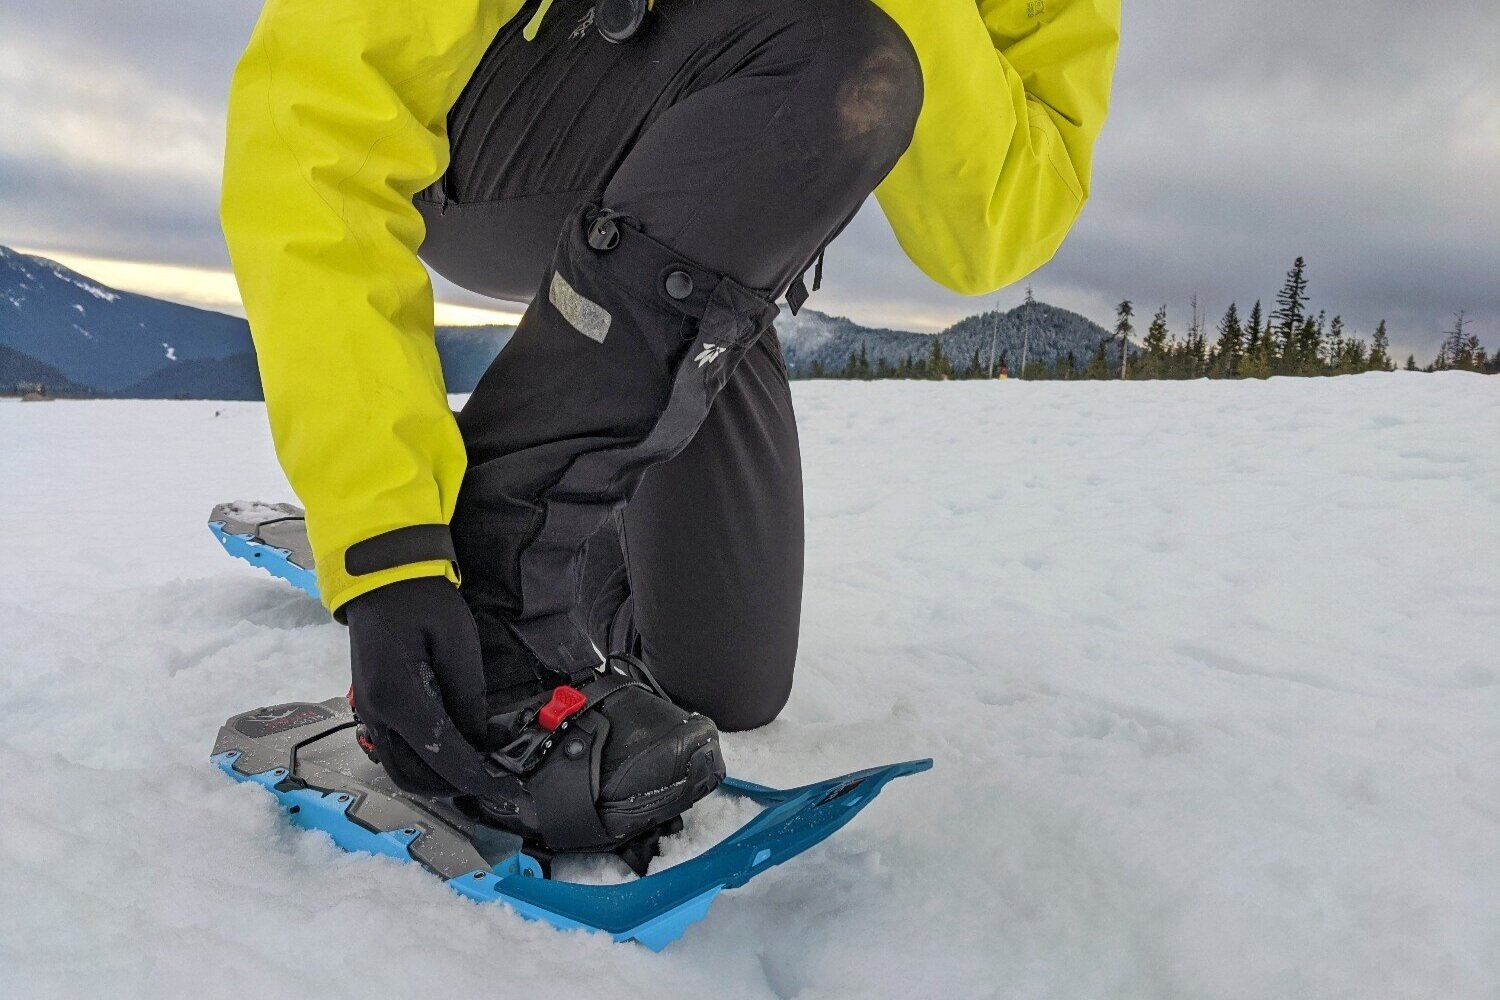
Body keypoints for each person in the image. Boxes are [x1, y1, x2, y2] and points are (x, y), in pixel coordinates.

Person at [220, 0, 1120, 856]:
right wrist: (386, 540)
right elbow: (311, 125)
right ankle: (495, 573)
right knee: (828, 57)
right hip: (488, 134)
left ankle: (545, 504)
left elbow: (997, 220)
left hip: (725, 191)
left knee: (724, 682)